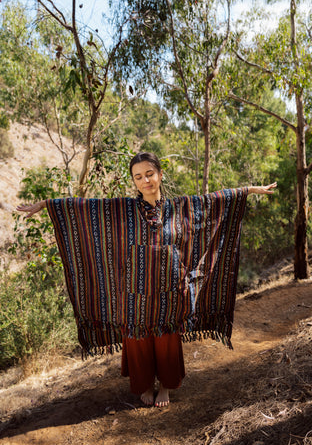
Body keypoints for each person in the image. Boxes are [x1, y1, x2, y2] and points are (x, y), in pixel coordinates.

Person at [17, 152, 277, 407]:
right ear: (134, 181)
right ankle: (144, 385)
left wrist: (249, 190)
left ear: (160, 175)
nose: (145, 181)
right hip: (135, 290)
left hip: (170, 288)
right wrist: (46, 205)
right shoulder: (122, 209)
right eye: (138, 177)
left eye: (149, 174)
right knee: (138, 340)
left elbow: (213, 201)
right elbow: (84, 208)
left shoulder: (180, 207)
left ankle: (165, 385)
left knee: (167, 339)